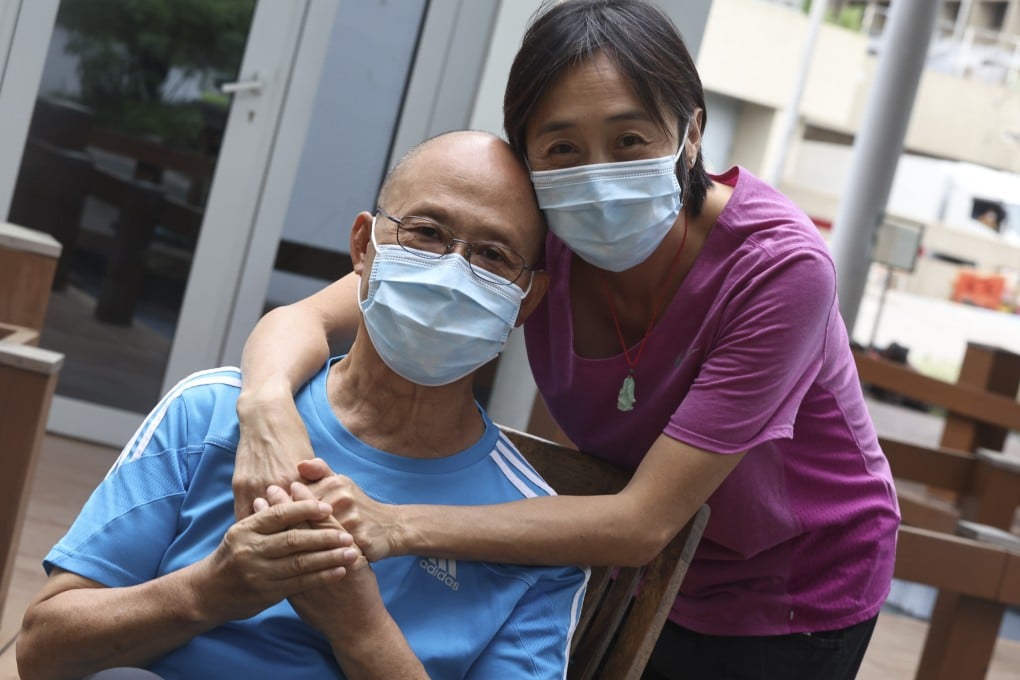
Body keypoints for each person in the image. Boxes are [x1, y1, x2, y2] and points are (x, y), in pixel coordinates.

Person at [233, 1, 901, 678]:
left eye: (631, 140)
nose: (598, 176)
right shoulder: (538, 237)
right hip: (619, 564)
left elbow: (641, 524)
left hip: (790, 587)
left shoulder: (778, 272)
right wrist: (263, 408)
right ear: (525, 157)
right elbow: (309, 317)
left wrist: (393, 524)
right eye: (562, 149)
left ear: (691, 131)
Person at [17, 130, 587, 680]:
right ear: (364, 246)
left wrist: (361, 631)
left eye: (492, 255)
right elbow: (42, 649)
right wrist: (210, 589)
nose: (451, 271)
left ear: (526, 299)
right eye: (427, 232)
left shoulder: (533, 534)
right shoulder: (210, 412)